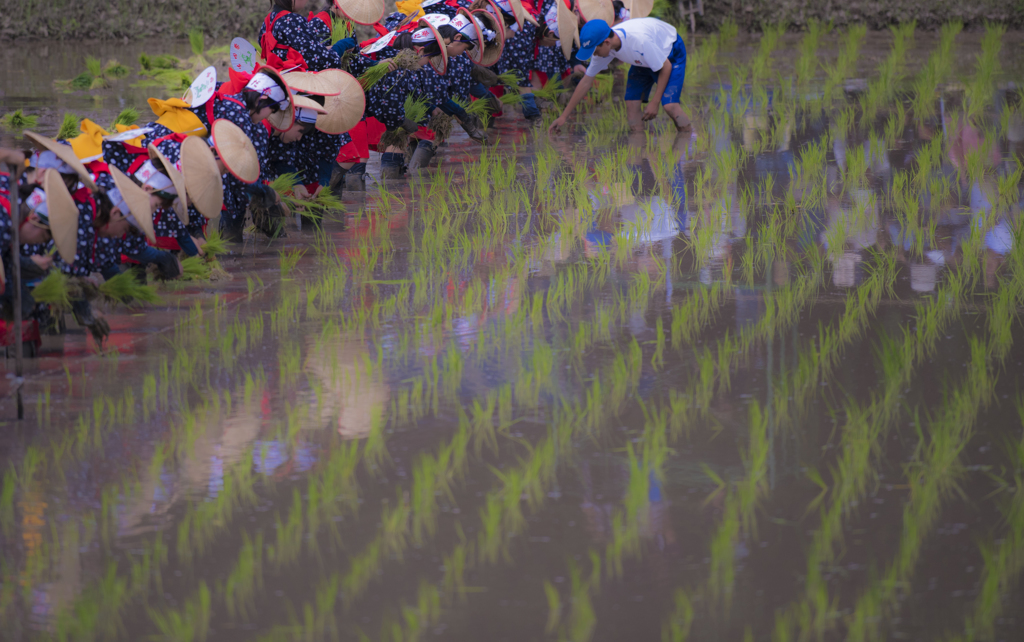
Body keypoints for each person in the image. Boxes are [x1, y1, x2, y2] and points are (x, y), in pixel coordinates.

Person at [548, 17, 692, 134]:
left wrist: (655, 102)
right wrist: (564, 116)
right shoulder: (604, 48)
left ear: (606, 42)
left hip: (669, 51)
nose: (594, 55)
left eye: (594, 50)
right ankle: (639, 154)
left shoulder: (639, 41)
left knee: (670, 106)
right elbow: (586, 82)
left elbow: (666, 67)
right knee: (631, 104)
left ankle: (690, 141)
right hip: (641, 59)